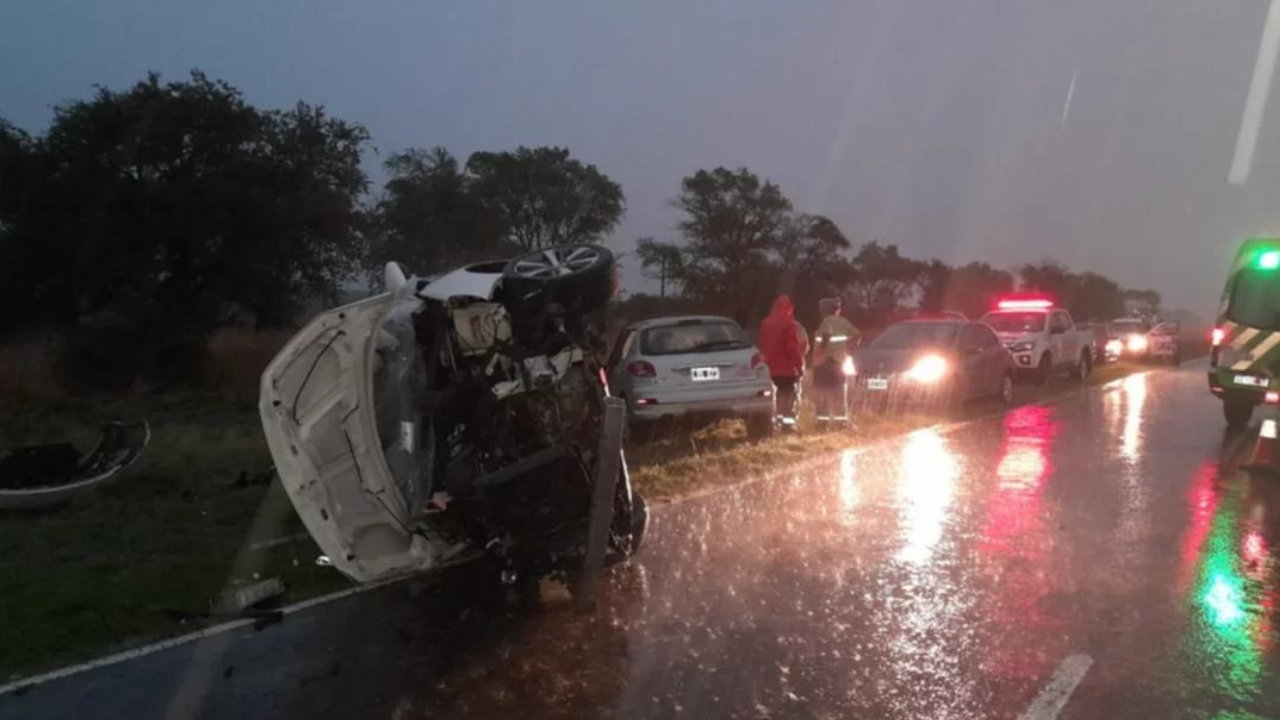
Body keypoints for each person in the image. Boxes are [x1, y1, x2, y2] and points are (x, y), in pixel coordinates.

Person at [758, 295, 809, 429]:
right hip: (786, 369)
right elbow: (791, 348)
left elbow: (762, 346)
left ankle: (774, 423)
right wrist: (799, 365)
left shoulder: (765, 323)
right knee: (788, 396)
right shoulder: (789, 324)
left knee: (774, 397)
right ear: (789, 309)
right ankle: (788, 426)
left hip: (769, 368)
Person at [811, 297, 860, 428]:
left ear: (824, 311)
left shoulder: (826, 321)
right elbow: (857, 335)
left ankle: (822, 422)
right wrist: (850, 348)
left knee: (823, 392)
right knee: (839, 393)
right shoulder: (843, 322)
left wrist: (820, 352)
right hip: (839, 362)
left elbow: (826, 336)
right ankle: (841, 422)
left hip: (824, 362)